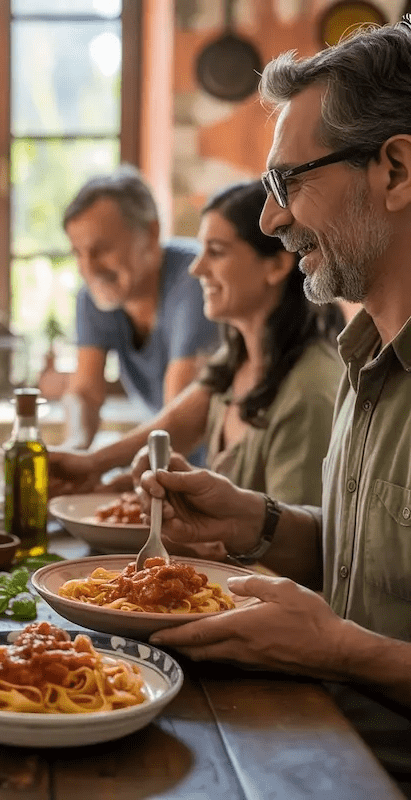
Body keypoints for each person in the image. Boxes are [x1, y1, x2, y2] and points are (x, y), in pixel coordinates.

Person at [136, 22, 411, 790]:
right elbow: (372, 564)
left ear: (395, 168)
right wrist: (257, 524)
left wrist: (342, 651)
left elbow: (353, 634)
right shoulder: (367, 363)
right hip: (312, 746)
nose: (271, 219)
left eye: (290, 182)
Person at [49, 181, 343, 528]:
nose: (196, 268)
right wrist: (91, 462)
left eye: (215, 252)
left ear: (275, 266)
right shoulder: (238, 360)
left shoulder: (307, 390)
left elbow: (295, 550)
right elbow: (181, 420)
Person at [61, 165, 220, 452]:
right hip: (172, 461)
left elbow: (178, 415)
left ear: (151, 232)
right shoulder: (97, 295)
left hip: (219, 471)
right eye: (78, 253)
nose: (88, 269)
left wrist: (93, 464)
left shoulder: (196, 280)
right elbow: (84, 392)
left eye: (101, 250)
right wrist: (75, 446)